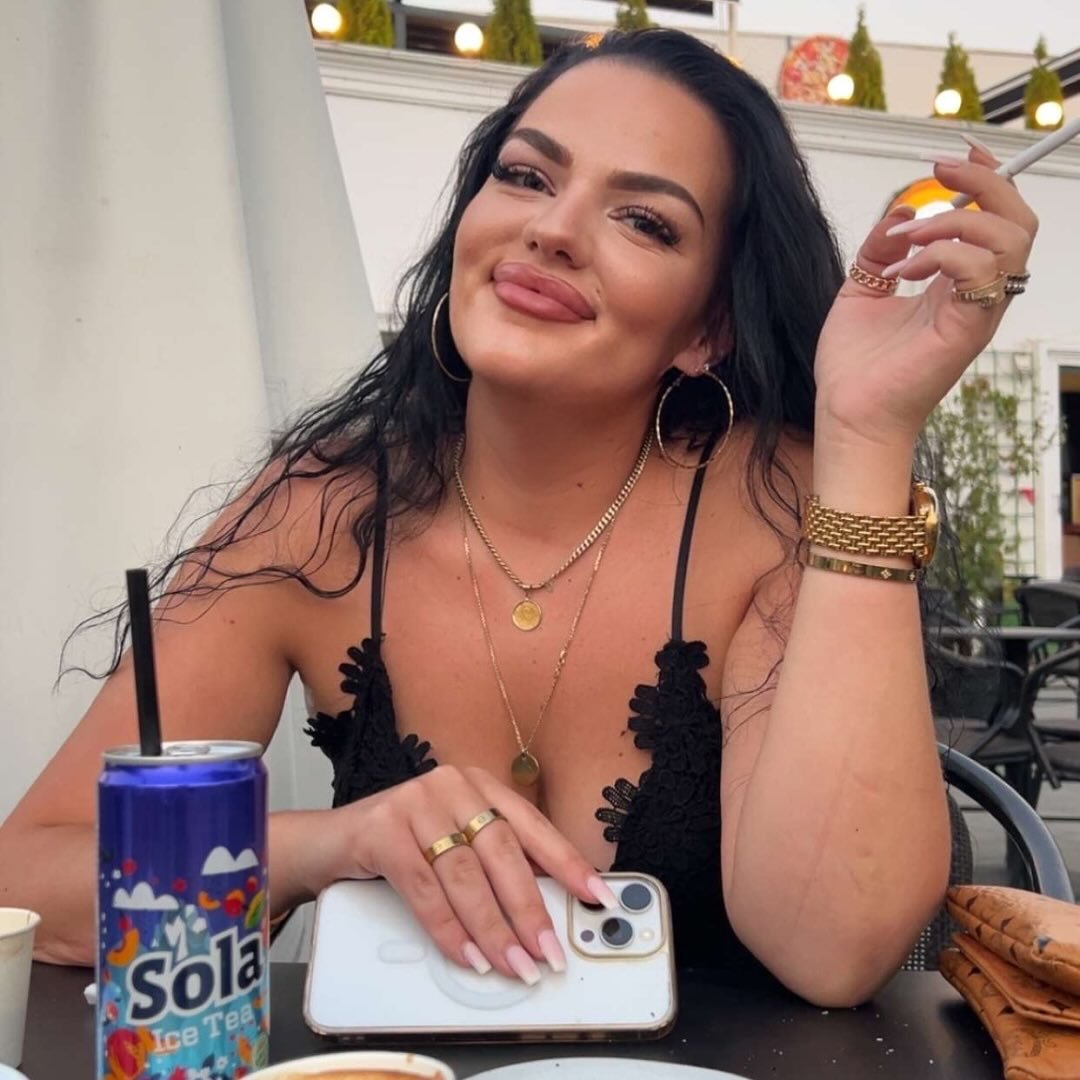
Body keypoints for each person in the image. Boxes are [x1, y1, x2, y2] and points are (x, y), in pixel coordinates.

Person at [0, 29, 1037, 1006]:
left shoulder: (771, 506)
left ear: (707, 327)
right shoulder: (320, 509)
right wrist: (332, 844)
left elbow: (835, 949)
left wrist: (865, 435)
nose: (551, 229)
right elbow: (28, 878)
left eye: (644, 220)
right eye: (527, 176)